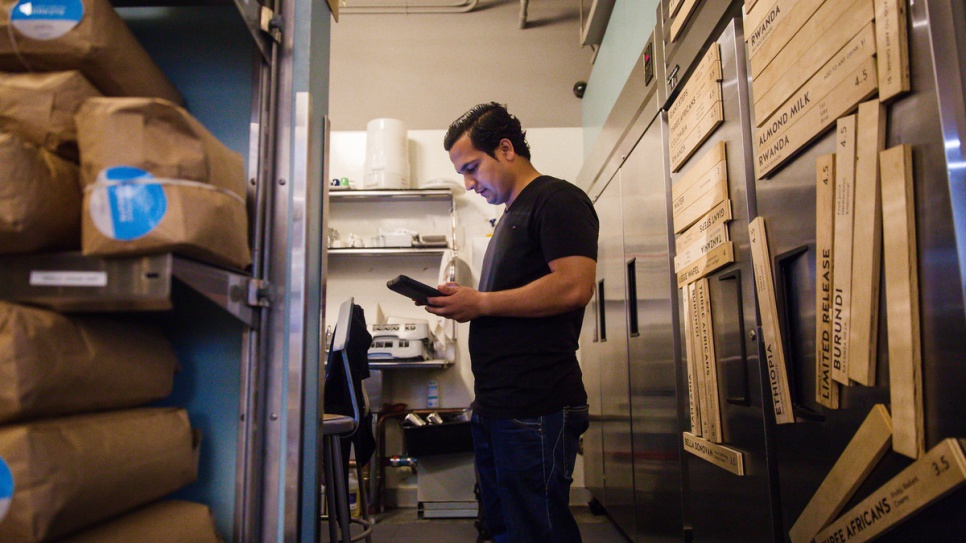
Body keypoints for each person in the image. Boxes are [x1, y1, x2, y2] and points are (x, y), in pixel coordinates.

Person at [423, 102, 599, 543]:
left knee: (537, 530)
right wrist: (469, 303)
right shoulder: (509, 217)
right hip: (499, 405)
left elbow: (574, 286)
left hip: (535, 404)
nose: (468, 182)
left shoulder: (558, 200)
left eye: (471, 167)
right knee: (503, 527)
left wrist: (480, 304)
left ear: (505, 149)